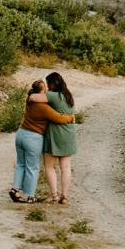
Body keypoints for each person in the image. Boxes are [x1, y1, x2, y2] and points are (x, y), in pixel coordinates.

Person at [9, 79, 76, 204]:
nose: (47, 90)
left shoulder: (29, 100)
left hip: (21, 134)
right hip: (33, 137)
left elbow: (33, 97)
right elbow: (58, 118)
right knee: (33, 167)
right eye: (45, 88)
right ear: (42, 91)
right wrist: (71, 117)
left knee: (20, 164)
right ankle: (30, 196)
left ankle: (15, 189)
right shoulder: (43, 107)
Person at [29, 71, 77, 205]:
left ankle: (54, 195)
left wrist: (41, 89)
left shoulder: (52, 95)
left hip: (55, 134)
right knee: (66, 167)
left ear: (51, 84)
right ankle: (65, 196)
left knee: (49, 166)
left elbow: (33, 98)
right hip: (69, 133)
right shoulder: (68, 96)